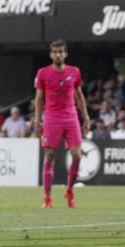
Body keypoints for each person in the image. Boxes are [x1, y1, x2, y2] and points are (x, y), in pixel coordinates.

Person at [33, 40, 89, 208]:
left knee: (77, 155)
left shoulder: (74, 72)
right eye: (55, 52)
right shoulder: (43, 73)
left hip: (71, 117)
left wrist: (85, 116)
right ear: (51, 54)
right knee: (49, 156)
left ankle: (70, 190)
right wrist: (37, 120)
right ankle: (47, 198)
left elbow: (79, 96)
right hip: (52, 118)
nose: (58, 54)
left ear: (65, 54)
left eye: (61, 52)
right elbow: (38, 99)